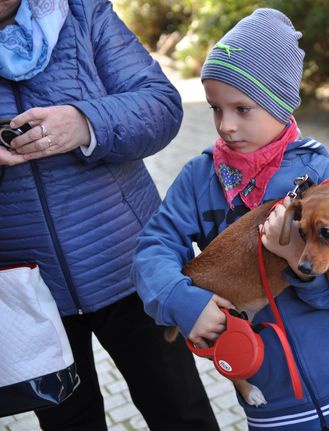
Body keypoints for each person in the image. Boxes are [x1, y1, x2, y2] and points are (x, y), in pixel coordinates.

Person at [133, 8, 329, 431]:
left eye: (242, 109)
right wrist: (182, 301)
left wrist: (296, 261)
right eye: (215, 108)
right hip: (278, 402)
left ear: (280, 104)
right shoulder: (199, 177)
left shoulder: (319, 174)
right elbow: (152, 248)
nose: (225, 125)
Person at [0, 0, 219, 429]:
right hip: (29, 285)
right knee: (69, 423)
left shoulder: (81, 12)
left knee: (181, 412)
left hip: (131, 263)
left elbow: (161, 104)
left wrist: (85, 123)